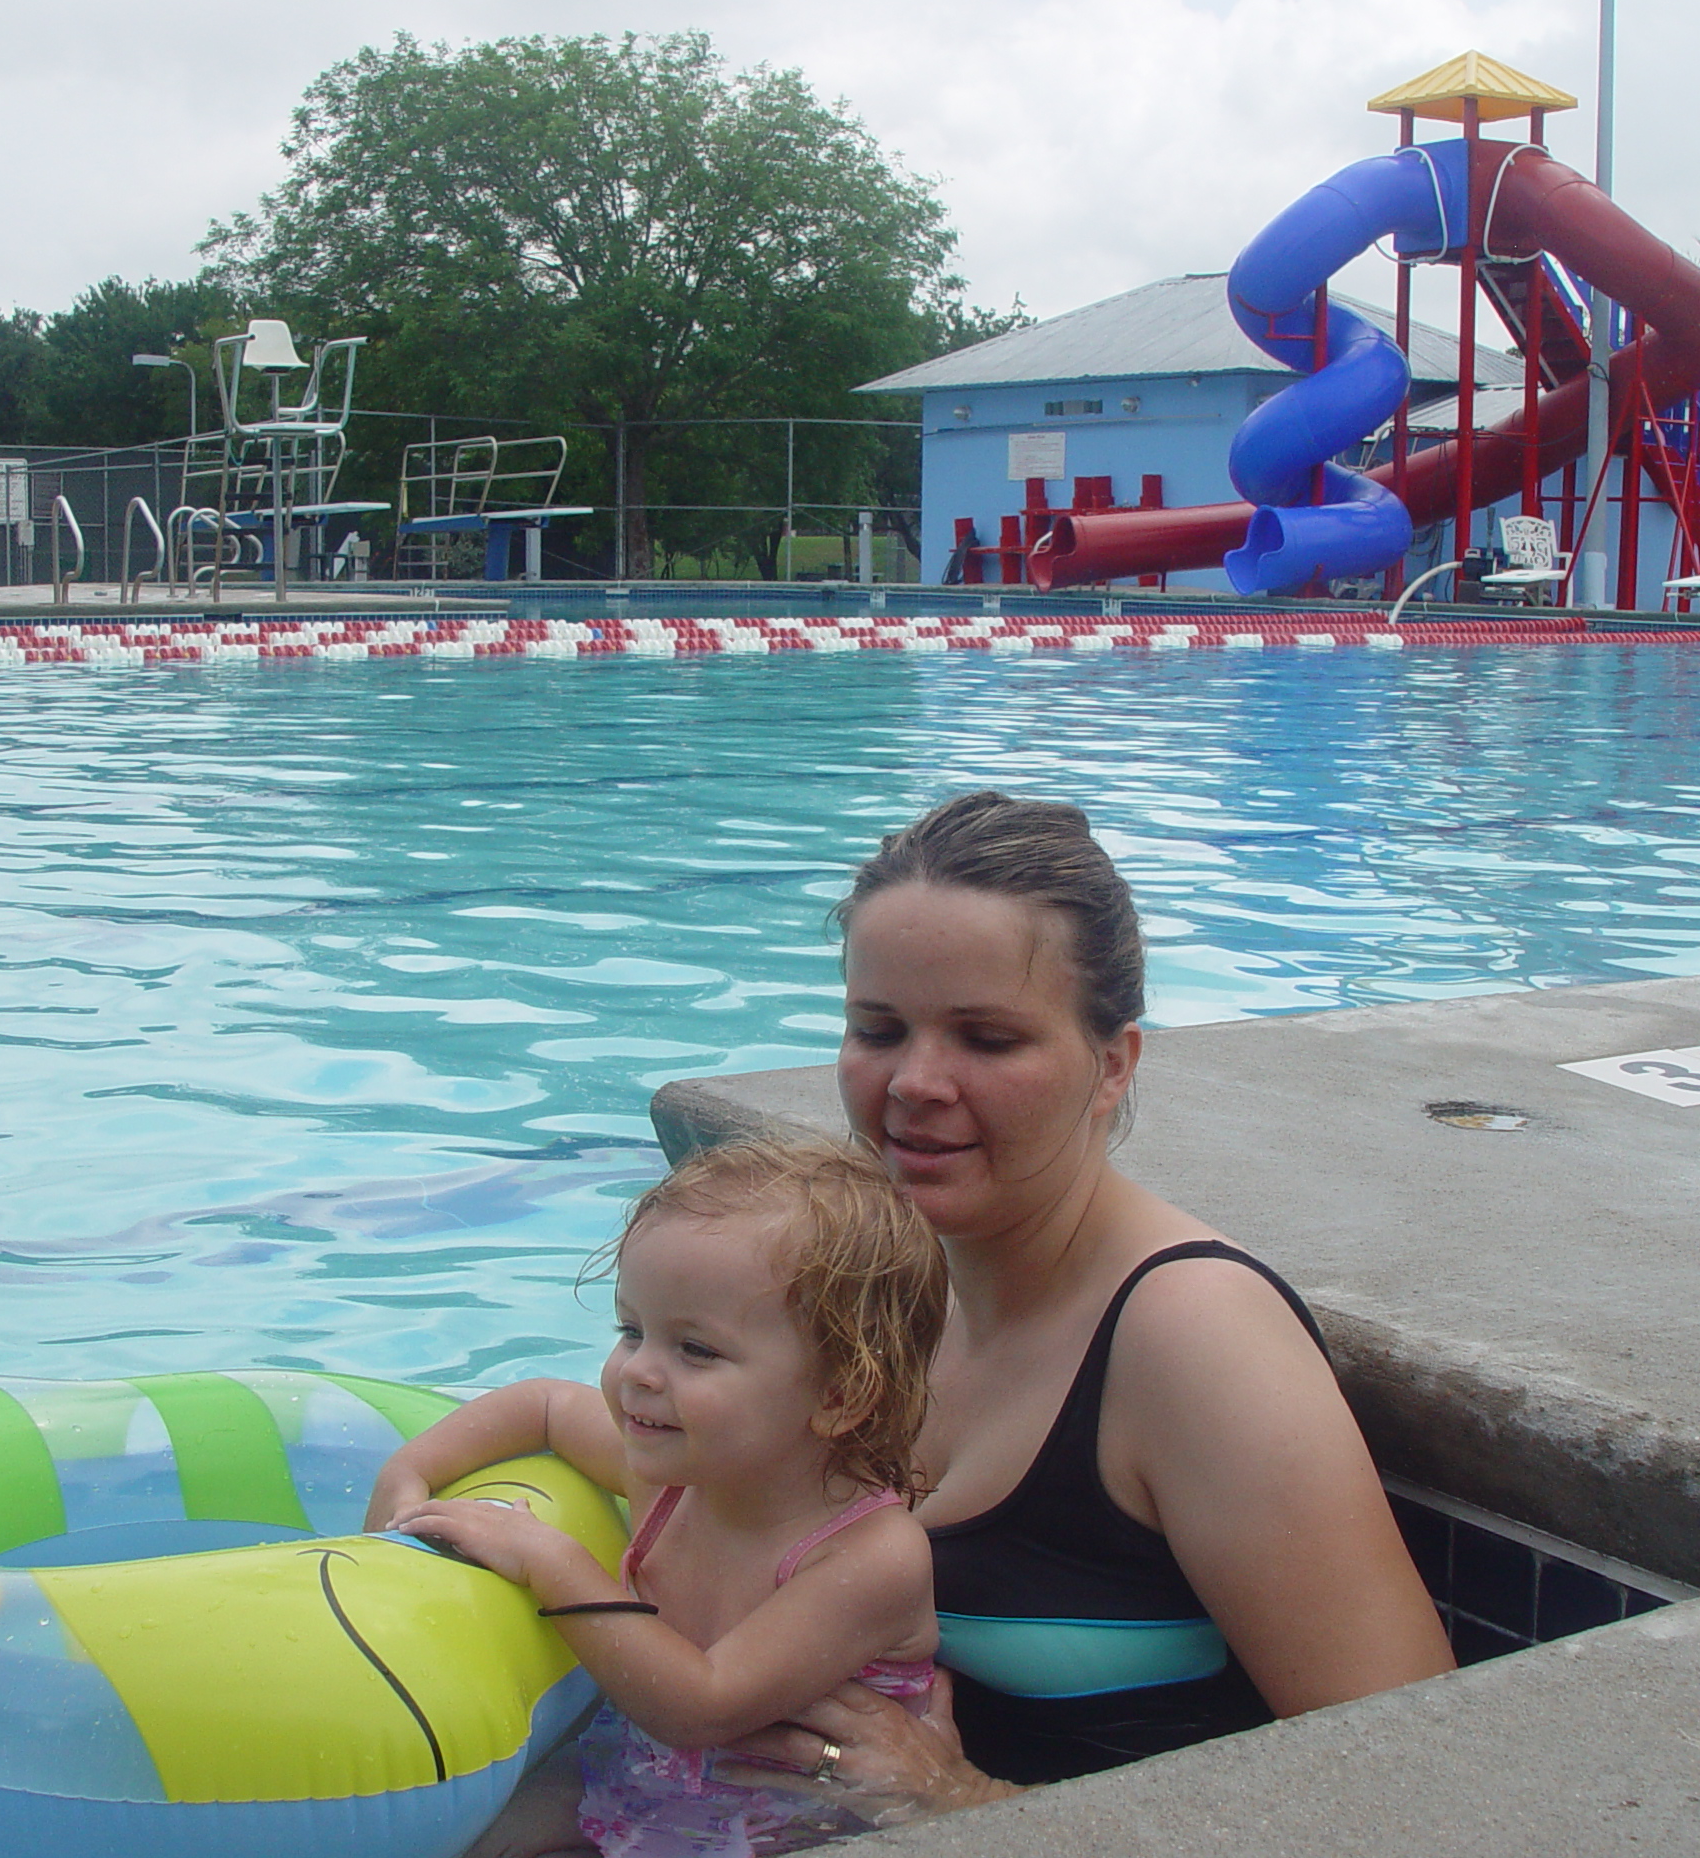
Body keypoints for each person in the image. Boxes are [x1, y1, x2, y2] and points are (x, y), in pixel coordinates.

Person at [716, 790, 1455, 1816]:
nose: (915, 1082)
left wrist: (965, 1803)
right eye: (877, 1028)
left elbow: (1415, 1780)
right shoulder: (874, 1286)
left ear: (1112, 1065)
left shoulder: (1194, 1339)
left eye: (987, 1039)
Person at [365, 1135, 951, 1858]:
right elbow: (545, 1405)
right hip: (637, 1779)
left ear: (840, 1393)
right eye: (631, 1330)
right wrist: (409, 1470)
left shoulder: (868, 1555)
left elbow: (702, 1708)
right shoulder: (672, 1478)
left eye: (695, 1349)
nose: (638, 1371)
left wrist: (548, 1560)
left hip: (794, 1826)